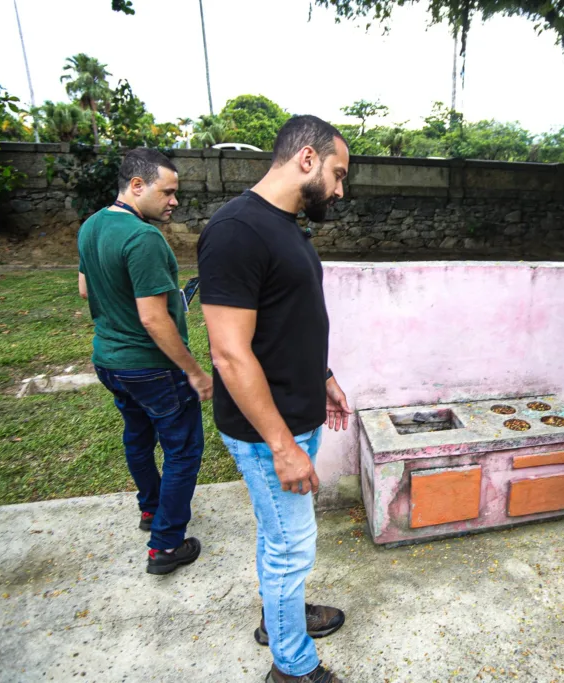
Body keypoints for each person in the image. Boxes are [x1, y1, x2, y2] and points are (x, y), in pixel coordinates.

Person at [197, 115, 353, 683]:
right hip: (269, 433)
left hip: (295, 414)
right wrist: (282, 445)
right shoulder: (237, 230)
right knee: (292, 547)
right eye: (337, 175)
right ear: (306, 159)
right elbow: (231, 354)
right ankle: (292, 665)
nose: (340, 190)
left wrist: (326, 376)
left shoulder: (285, 226)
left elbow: (291, 321)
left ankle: (278, 616)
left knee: (278, 536)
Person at [78, 148, 212, 576]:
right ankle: (166, 546)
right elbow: (153, 319)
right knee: (184, 449)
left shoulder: (92, 226)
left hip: (109, 361)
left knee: (138, 436)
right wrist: (193, 370)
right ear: (137, 186)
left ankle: (151, 510)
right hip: (152, 367)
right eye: (167, 192)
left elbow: (85, 289)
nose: (174, 201)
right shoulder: (144, 238)